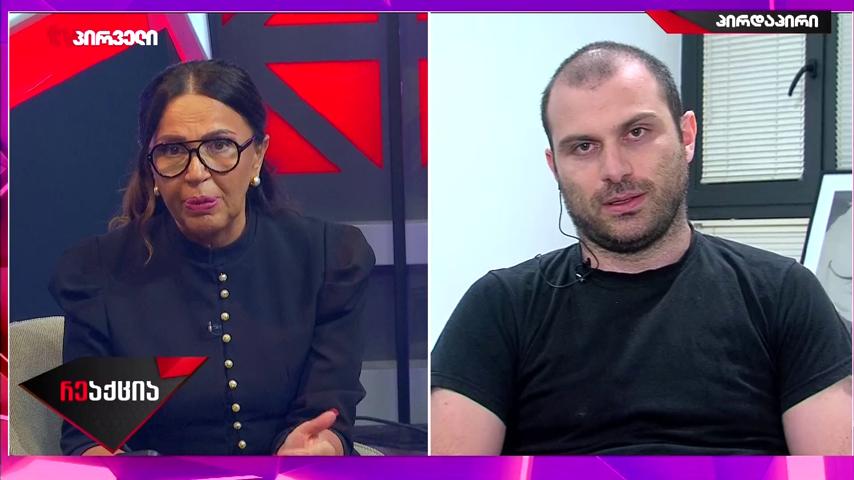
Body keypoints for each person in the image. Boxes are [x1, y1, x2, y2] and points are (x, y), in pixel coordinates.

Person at [431, 41, 852, 455]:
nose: (615, 171)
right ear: (554, 166)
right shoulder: (499, 308)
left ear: (686, 136)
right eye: (583, 147)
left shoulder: (783, 295)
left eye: (636, 133)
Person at [50, 59, 375, 456]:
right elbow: (89, 438)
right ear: (151, 167)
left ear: (257, 155)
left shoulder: (328, 258)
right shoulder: (98, 272)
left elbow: (328, 411)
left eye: (220, 146)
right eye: (172, 150)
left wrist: (319, 447)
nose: (196, 173)